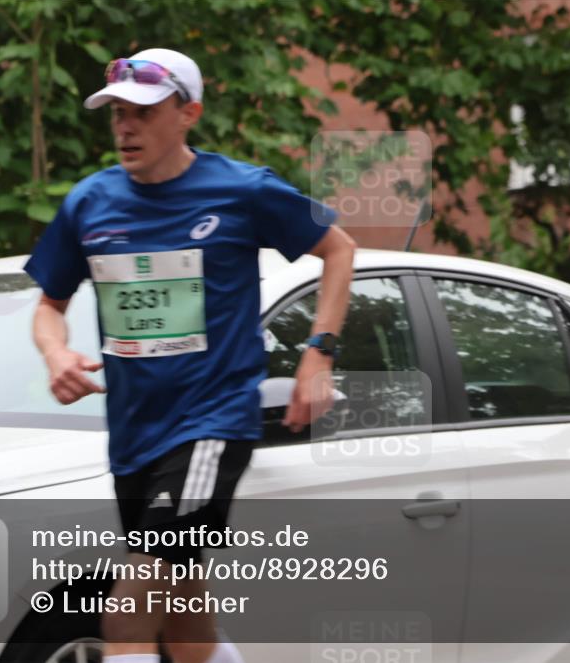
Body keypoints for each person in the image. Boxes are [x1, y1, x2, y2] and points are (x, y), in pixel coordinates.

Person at [24, 48, 356, 663]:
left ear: (188, 114)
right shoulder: (88, 203)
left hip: (209, 426)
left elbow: (339, 249)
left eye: (143, 112)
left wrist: (318, 353)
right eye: (117, 112)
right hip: (132, 435)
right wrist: (56, 354)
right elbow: (48, 304)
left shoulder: (244, 190)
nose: (125, 126)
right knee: (181, 611)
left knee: (126, 615)